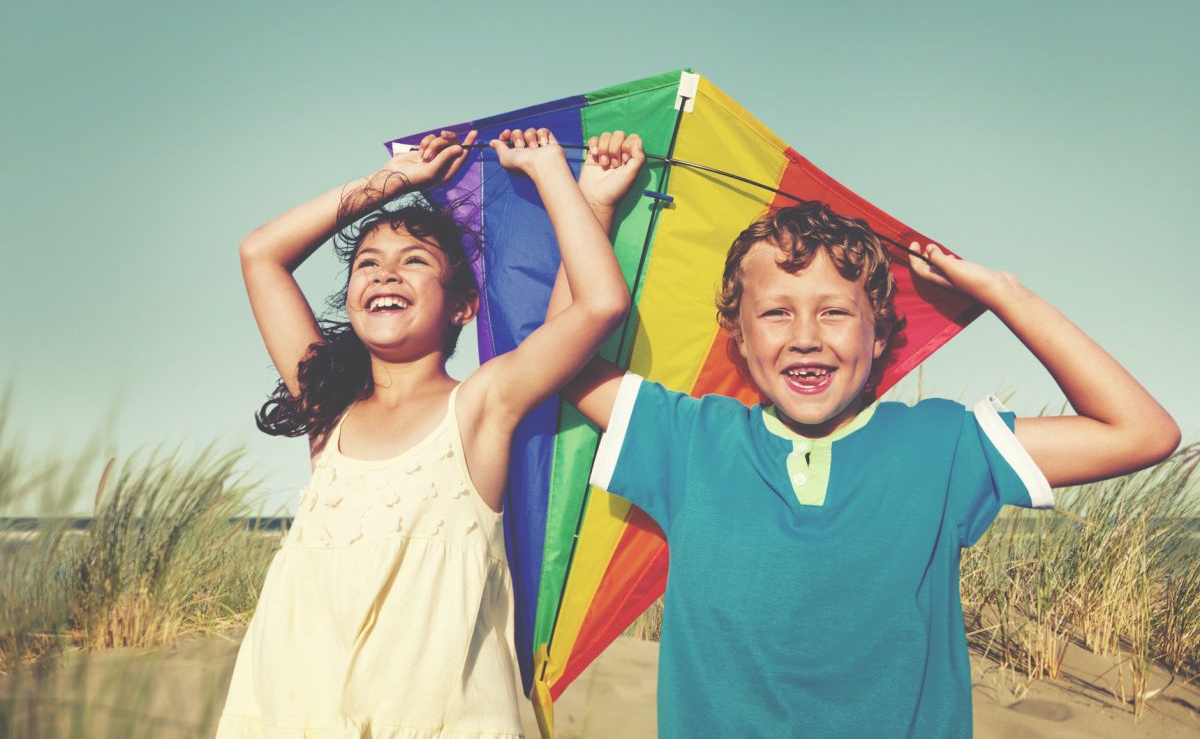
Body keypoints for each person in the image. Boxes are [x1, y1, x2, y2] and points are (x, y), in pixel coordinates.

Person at [559, 133, 1181, 738]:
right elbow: (560, 358)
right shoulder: (691, 441)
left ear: (878, 334)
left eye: (834, 311)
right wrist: (593, 205)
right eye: (777, 312)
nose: (805, 334)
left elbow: (1141, 432)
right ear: (741, 341)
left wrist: (1002, 293)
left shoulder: (943, 445)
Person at [216, 126, 633, 738]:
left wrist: (558, 180)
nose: (386, 275)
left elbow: (598, 305)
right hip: (295, 715)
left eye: (414, 262)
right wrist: (400, 181)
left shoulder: (482, 403)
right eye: (368, 264)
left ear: (463, 304)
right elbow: (260, 253)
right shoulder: (328, 407)